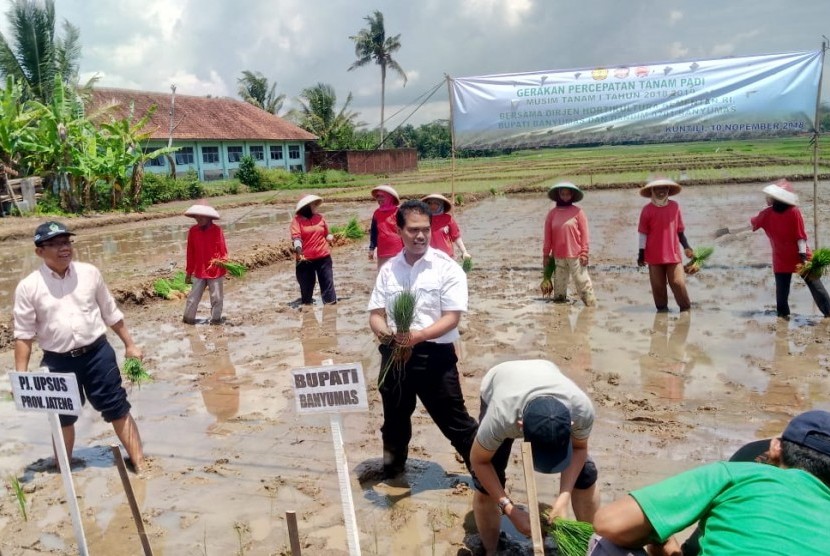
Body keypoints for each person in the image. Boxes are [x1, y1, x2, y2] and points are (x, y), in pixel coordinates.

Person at [592, 410, 830, 555]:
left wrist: (658, 535)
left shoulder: (739, 474)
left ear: (775, 446)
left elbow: (609, 522)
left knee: (604, 543)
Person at [13, 221, 146, 472]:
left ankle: (140, 463)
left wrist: (130, 344)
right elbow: (23, 335)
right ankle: (64, 468)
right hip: (57, 361)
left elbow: (111, 312)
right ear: (39, 251)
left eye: (66, 242)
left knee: (117, 407)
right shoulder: (28, 287)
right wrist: (21, 375)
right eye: (55, 244)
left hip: (97, 353)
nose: (64, 248)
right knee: (61, 418)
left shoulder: (89, 273)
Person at [367, 199, 478, 479]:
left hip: (434, 358)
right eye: (413, 229)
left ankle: (485, 475)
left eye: (425, 230)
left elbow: (452, 318)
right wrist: (385, 334)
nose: (420, 236)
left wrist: (416, 337)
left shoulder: (446, 268)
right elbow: (376, 314)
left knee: (456, 423)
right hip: (395, 355)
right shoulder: (389, 270)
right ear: (398, 229)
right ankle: (393, 471)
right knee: (394, 423)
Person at [470, 359, 598, 555]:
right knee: (487, 482)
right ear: (520, 427)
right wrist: (509, 510)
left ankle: (590, 545)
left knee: (586, 474)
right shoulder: (501, 416)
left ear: (571, 424)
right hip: (501, 379)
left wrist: (564, 497)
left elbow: (579, 448)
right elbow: (479, 461)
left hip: (544, 370)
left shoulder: (581, 409)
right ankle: (491, 550)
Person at [720, 180, 830, 319]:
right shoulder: (766, 214)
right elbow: (748, 226)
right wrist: (726, 231)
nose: (766, 198)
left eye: (769, 196)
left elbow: (800, 237)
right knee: (781, 294)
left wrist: (804, 259)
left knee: (817, 288)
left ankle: (828, 313)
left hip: (800, 256)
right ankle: (783, 319)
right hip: (781, 258)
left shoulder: (793, 212)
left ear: (778, 198)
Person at [637, 178, 694, 312]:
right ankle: (662, 313)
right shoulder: (647, 210)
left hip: (672, 254)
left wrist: (686, 246)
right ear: (652, 191)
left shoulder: (675, 207)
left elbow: (679, 231)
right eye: (657, 189)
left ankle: (686, 309)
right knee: (658, 286)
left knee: (677, 283)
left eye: (664, 189)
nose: (661, 191)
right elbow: (643, 234)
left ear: (668, 190)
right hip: (653, 255)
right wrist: (641, 254)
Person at [542, 182, 596, 306]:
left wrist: (584, 252)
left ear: (572, 195)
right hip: (558, 256)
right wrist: (545, 255)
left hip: (576, 255)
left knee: (583, 283)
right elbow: (547, 237)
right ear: (559, 195)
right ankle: (560, 313)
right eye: (563, 194)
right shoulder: (552, 214)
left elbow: (585, 235)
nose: (565, 196)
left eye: (568, 194)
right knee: (559, 287)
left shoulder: (578, 212)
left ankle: (591, 307)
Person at [183, 204, 228, 325]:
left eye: (201, 217)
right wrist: (189, 272)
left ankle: (216, 320)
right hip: (199, 270)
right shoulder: (193, 231)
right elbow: (190, 252)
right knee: (193, 298)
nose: (198, 220)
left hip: (215, 269)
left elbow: (223, 250)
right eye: (197, 217)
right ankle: (188, 319)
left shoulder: (217, 230)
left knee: (217, 298)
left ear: (209, 218)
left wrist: (221, 261)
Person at [290, 194, 337, 305]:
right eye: (314, 205)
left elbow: (326, 233)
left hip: (323, 256)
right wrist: (299, 250)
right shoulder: (297, 221)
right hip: (305, 259)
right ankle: (307, 304)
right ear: (306, 207)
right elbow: (296, 238)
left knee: (327, 283)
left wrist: (330, 237)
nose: (316, 206)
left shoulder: (320, 218)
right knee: (306, 288)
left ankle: (330, 307)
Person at [421, 193, 472, 261]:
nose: (432, 205)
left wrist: (464, 252)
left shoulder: (448, 219)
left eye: (436, 203)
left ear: (441, 205)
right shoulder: (423, 219)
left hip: (447, 257)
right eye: (429, 203)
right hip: (429, 257)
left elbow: (456, 237)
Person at [368, 184, 403, 268]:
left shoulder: (398, 212)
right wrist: (371, 248)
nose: (379, 199)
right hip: (382, 251)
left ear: (390, 197)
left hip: (398, 250)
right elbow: (374, 232)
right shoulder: (376, 213)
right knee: (383, 275)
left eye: (382, 196)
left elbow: (405, 230)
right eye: (378, 196)